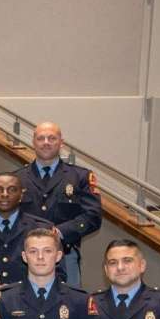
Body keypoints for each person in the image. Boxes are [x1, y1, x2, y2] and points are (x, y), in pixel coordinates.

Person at [15, 122, 100, 285]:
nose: (46, 142)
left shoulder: (80, 177)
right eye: (41, 138)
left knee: (69, 306)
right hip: (28, 256)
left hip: (65, 254)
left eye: (52, 138)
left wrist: (59, 232)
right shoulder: (18, 178)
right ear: (33, 142)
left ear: (62, 142)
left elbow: (93, 216)